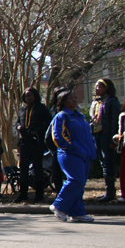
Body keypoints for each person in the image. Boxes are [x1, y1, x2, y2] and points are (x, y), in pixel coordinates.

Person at [49, 88, 96, 222]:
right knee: (76, 180)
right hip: (70, 154)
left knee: (80, 184)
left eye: (75, 98)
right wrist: (72, 147)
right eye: (71, 98)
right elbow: (58, 137)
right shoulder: (62, 116)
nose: (74, 100)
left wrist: (92, 148)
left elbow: (88, 135)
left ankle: (77, 213)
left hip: (85, 154)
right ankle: (58, 205)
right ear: (63, 101)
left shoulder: (81, 116)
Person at [14, 87, 52, 203]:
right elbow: (17, 122)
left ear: (35, 96)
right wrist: (19, 127)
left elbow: (48, 123)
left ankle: (39, 193)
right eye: (26, 96)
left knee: (37, 167)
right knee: (23, 168)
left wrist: (37, 131)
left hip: (36, 141)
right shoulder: (22, 109)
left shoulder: (41, 108)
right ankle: (23, 193)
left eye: (30, 96)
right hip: (24, 142)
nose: (28, 98)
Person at [89, 79, 121, 201]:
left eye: (100, 86)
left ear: (107, 88)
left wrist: (113, 140)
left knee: (108, 162)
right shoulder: (96, 102)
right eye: (96, 86)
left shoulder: (112, 101)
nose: (97, 89)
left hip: (107, 135)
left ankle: (110, 191)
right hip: (97, 134)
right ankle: (107, 190)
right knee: (103, 162)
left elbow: (115, 120)